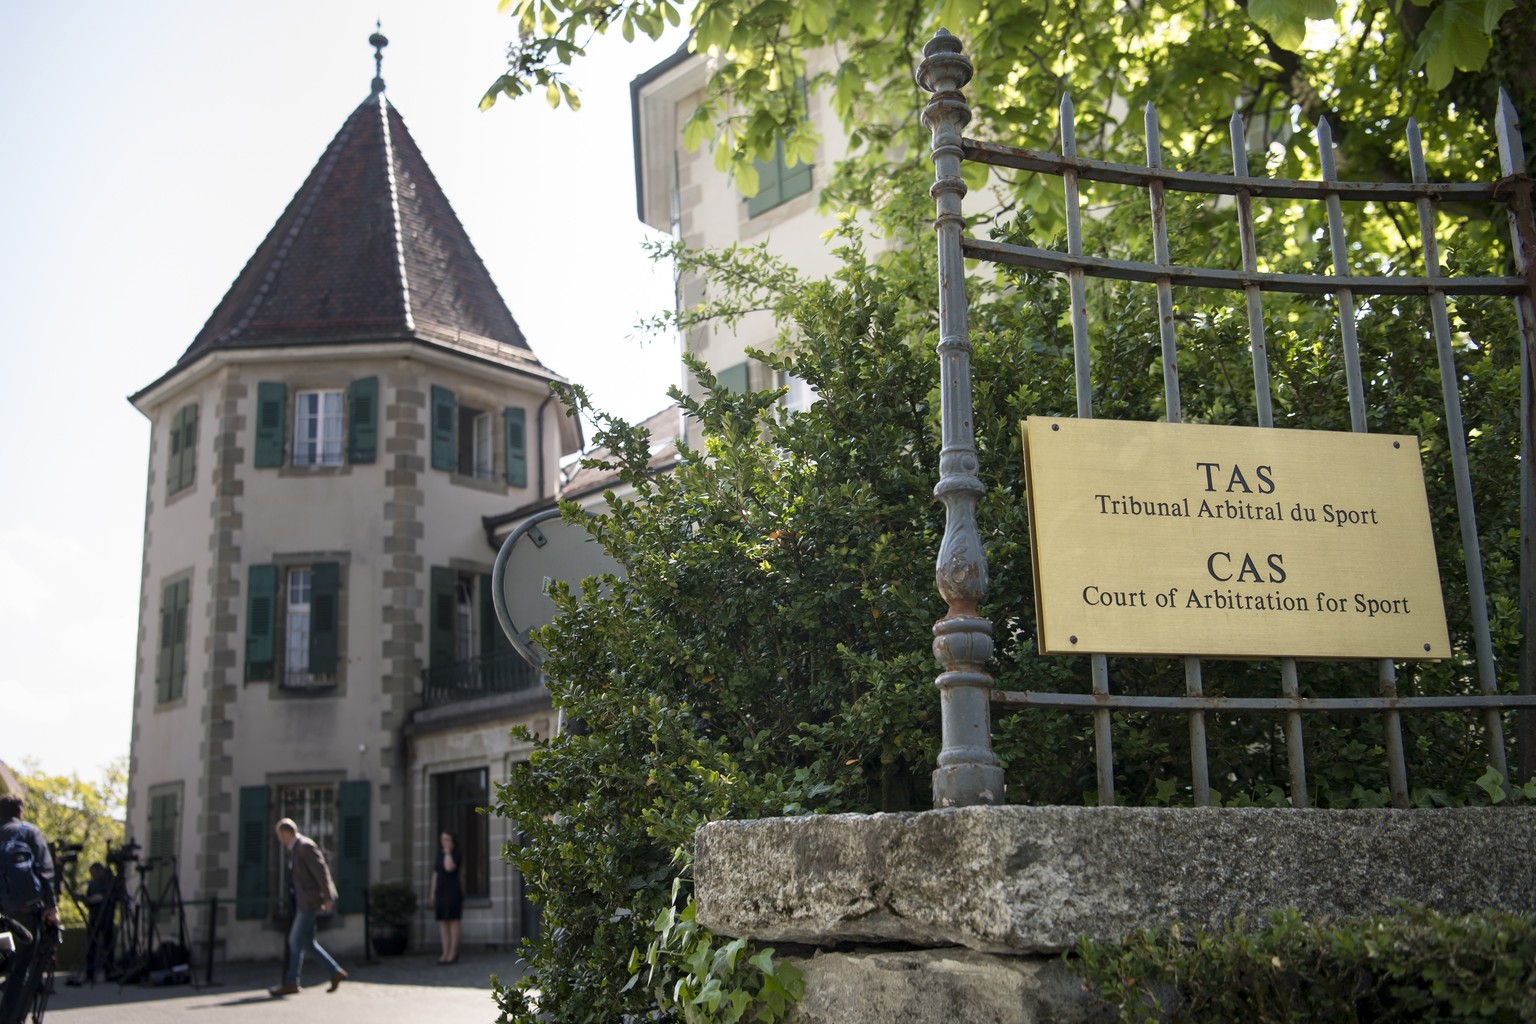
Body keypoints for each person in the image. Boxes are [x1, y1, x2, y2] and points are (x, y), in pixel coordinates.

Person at [269, 818, 346, 997]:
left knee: (294, 940)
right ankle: (335, 971)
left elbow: (321, 871)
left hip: (308, 902)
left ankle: (291, 981)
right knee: (308, 943)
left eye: (279, 835)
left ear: (286, 832)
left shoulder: (304, 846)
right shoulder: (295, 849)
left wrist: (328, 897)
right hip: (303, 902)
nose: (279, 839)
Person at [0, 795, 58, 1024]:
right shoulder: (28, 832)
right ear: (20, 811)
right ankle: (10, 1018)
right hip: (22, 911)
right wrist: (51, 907)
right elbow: (45, 871)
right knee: (22, 966)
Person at [428, 832, 462, 964]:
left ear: (452, 841)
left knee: (453, 921)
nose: (444, 841)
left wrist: (448, 853)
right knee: (443, 922)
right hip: (441, 892)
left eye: (447, 839)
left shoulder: (456, 854)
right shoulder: (439, 854)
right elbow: (435, 874)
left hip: (453, 891)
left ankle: (453, 953)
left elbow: (449, 868)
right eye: (442, 839)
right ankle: (445, 952)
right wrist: (432, 893)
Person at [81, 863, 114, 983]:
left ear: (100, 871)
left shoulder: (108, 881)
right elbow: (89, 898)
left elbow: (109, 897)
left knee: (107, 944)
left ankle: (109, 971)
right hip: (94, 918)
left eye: (94, 873)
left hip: (106, 918)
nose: (92, 875)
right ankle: (90, 973)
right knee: (91, 946)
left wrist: (100, 898)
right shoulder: (92, 884)